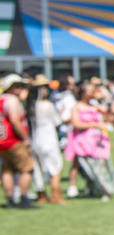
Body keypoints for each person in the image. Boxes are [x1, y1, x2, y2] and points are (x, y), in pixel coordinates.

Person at [64, 83, 114, 200]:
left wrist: (107, 101)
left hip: (96, 140)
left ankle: (103, 189)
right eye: (89, 90)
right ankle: (75, 187)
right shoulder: (77, 106)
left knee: (99, 165)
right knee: (81, 165)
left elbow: (112, 116)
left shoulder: (95, 106)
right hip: (82, 140)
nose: (92, 92)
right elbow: (76, 124)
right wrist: (94, 124)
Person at [0, 74, 38, 208]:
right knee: (26, 169)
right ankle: (23, 197)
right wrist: (25, 138)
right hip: (14, 140)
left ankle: (10, 199)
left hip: (3, 141)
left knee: (7, 170)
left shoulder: (2, 99)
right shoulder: (12, 100)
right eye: (18, 86)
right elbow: (15, 121)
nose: (21, 89)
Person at [28, 75, 65, 204]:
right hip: (48, 138)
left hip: (35, 140)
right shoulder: (46, 105)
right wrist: (61, 113)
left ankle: (41, 195)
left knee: (37, 168)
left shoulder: (30, 106)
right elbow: (57, 121)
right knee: (55, 166)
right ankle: (56, 195)